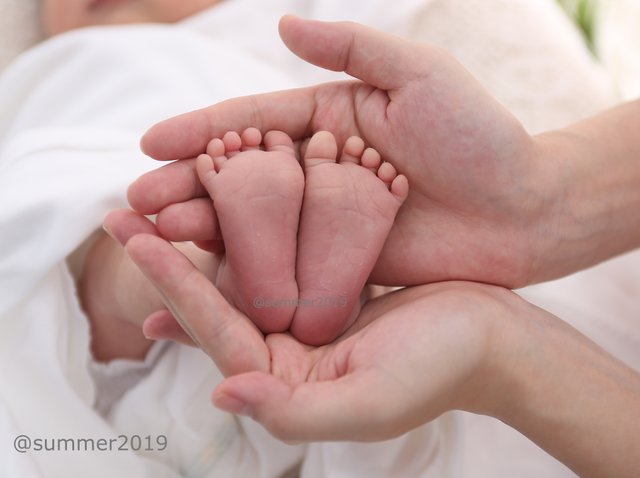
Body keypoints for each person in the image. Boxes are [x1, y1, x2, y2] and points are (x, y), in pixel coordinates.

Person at [106, 15, 640, 477]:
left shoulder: (109, 59)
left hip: (180, 130)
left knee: (96, 241)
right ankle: (281, 271)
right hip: (567, 396)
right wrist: (540, 197)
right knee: (88, 221)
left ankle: (226, 272)